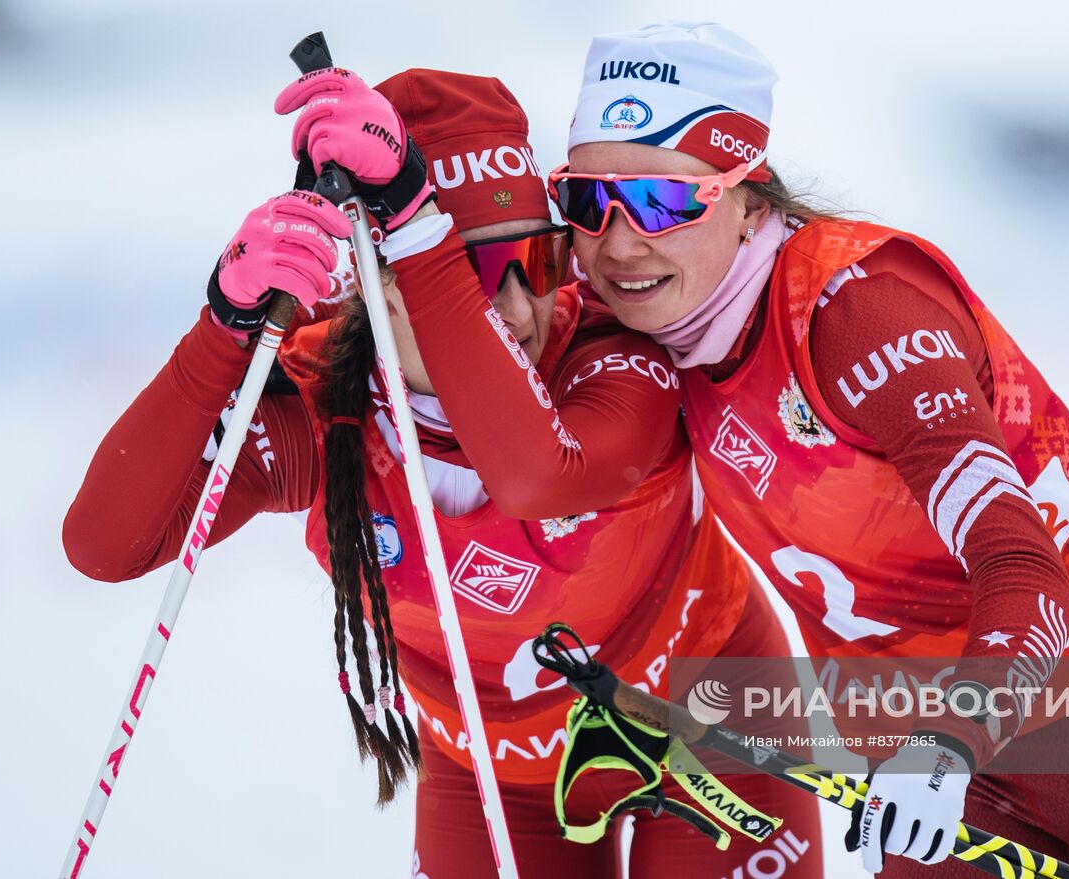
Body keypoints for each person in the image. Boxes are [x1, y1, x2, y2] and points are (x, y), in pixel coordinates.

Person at [552, 21, 1069, 878]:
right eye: (586, 200)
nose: (619, 241)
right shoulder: (643, 316)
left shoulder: (858, 311)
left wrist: (947, 747)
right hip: (917, 728)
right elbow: (466, 305)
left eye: (661, 200)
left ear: (749, 199)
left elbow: (1024, 570)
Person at [64, 67, 822, 878]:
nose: (526, 309)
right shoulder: (334, 409)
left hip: (710, 715)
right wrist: (222, 324)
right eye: (474, 276)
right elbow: (105, 546)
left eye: (535, 258)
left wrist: (428, 234)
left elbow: (540, 476)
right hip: (492, 767)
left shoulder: (606, 352)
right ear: (378, 283)